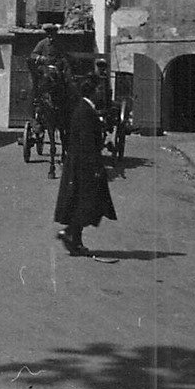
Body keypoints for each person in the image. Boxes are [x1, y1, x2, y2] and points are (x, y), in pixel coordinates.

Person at [54, 75, 117, 256]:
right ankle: (70, 233)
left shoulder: (86, 108)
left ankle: (75, 241)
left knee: (80, 202)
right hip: (84, 165)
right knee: (88, 202)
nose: (101, 92)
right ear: (93, 90)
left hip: (80, 163)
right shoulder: (84, 111)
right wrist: (96, 168)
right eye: (99, 89)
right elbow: (86, 143)